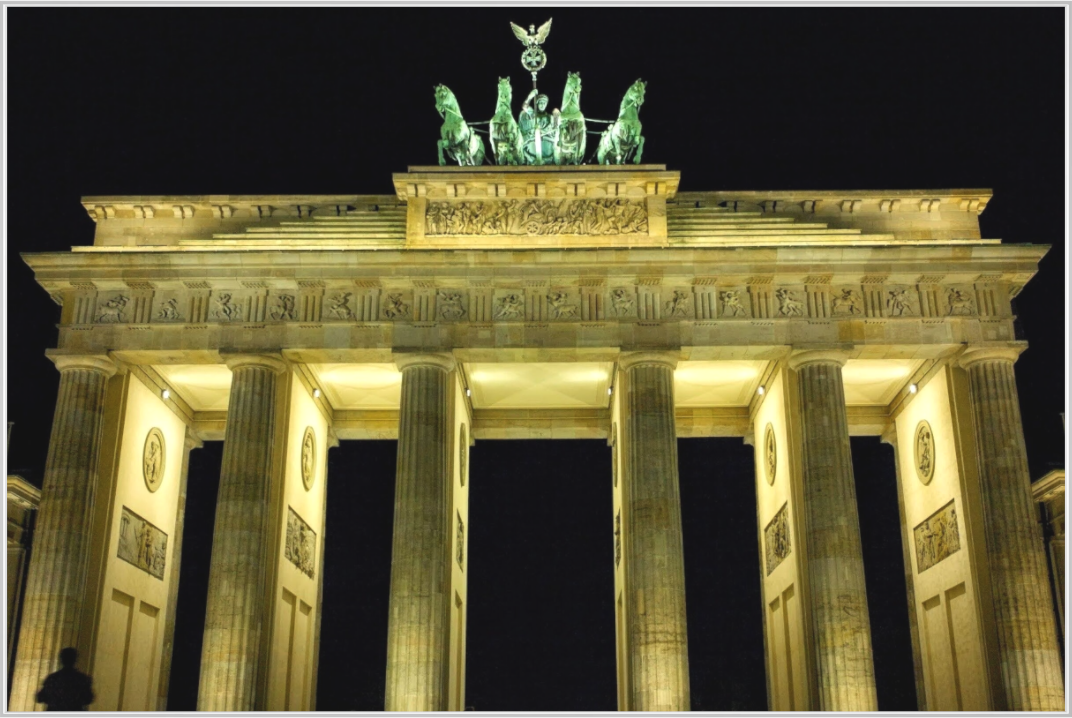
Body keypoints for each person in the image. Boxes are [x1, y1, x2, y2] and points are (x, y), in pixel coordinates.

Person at [518, 89, 559, 165]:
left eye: (544, 103)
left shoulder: (550, 117)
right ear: (537, 104)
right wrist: (530, 96)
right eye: (540, 103)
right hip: (533, 143)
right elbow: (525, 106)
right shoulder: (533, 115)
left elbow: (556, 130)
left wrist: (556, 117)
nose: (542, 105)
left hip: (548, 144)